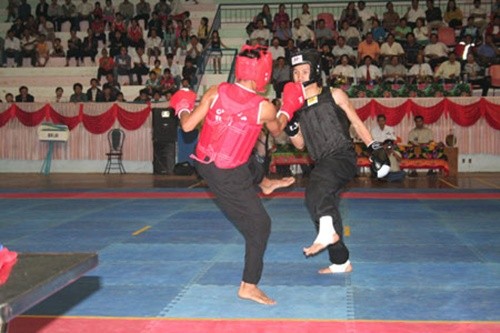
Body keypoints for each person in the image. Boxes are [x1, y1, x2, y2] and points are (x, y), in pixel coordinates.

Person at [169, 45, 302, 305]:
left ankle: (264, 184)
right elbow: (278, 132)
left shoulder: (215, 90)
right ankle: (249, 285)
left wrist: (182, 105)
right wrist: (287, 108)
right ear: (264, 74)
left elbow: (186, 125)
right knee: (260, 226)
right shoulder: (263, 107)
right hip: (225, 174)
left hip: (205, 161)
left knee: (251, 161)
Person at [283, 49, 389, 275]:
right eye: (295, 72)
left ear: (315, 71)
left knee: (317, 190)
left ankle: (327, 233)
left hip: (342, 156)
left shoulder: (335, 94)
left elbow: (357, 123)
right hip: (321, 162)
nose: (299, 76)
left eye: (304, 71)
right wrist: (291, 128)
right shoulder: (296, 106)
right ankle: (340, 261)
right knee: (316, 203)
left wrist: (374, 147)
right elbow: (300, 145)